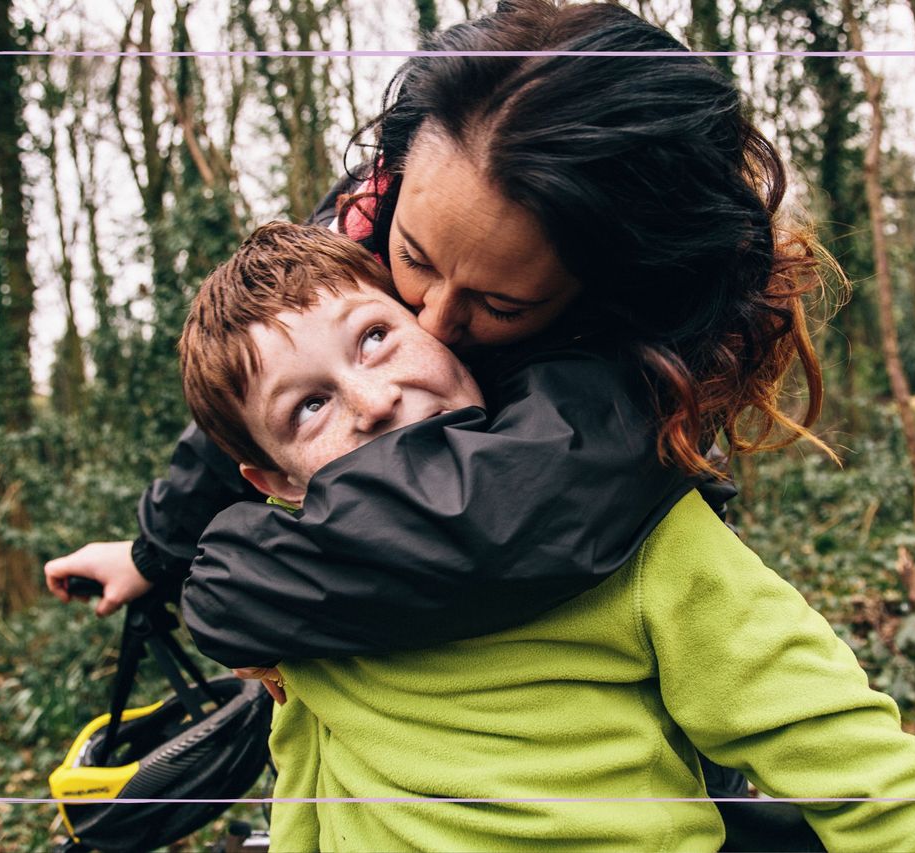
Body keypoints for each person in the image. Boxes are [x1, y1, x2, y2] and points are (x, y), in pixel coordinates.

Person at [45, 1, 839, 846]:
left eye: (500, 302)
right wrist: (155, 549)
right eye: (413, 260)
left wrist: (236, 577)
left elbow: (497, 513)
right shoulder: (373, 214)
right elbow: (257, 393)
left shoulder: (631, 381)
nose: (431, 317)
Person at [175, 221, 915, 852]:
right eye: (307, 406)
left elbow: (846, 752)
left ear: (437, 325)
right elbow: (309, 792)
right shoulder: (303, 608)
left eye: (375, 336)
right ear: (274, 481)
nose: (372, 397)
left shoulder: (640, 530)